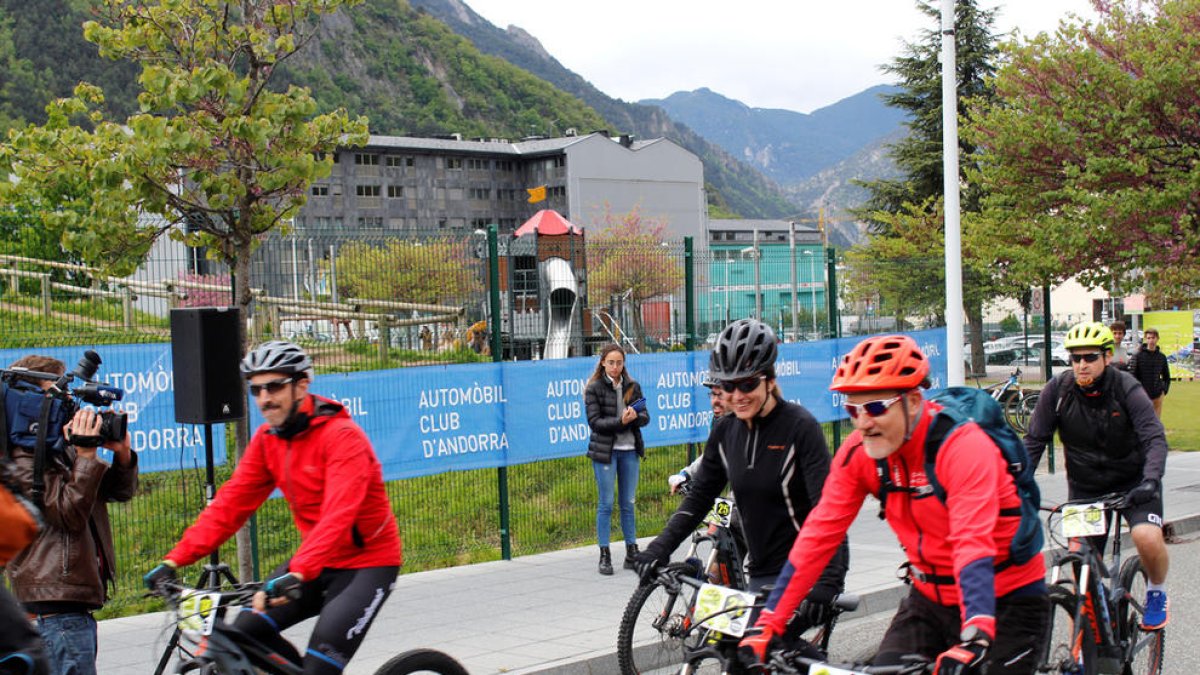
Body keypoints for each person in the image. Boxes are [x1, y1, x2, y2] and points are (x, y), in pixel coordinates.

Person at [740, 335, 1048, 674]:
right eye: (852, 409)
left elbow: (971, 542)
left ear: (913, 401)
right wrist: (770, 621)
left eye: (874, 408)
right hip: (930, 599)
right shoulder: (860, 452)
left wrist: (975, 631)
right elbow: (819, 535)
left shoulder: (963, 448)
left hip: (1005, 597)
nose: (862, 422)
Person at [143, 341, 401, 675]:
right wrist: (174, 559)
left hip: (367, 565)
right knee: (241, 638)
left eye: (275, 386)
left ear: (302, 385)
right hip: (311, 564)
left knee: (320, 667)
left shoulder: (342, 437)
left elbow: (338, 515)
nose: (264, 398)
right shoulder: (268, 440)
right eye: (256, 389)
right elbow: (230, 505)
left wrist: (300, 569)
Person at [635, 319, 849, 638]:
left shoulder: (799, 427)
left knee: (763, 650)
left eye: (748, 384)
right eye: (729, 385)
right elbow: (699, 498)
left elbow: (829, 510)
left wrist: (828, 580)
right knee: (717, 641)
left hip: (805, 573)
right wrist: (660, 548)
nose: (738, 395)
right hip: (761, 573)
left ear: (769, 379)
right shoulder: (725, 431)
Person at [1024, 321, 1170, 630]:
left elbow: (1154, 437)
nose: (1081, 365)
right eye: (1075, 358)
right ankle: (1099, 632)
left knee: (1146, 536)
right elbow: (1035, 440)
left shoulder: (1126, 387)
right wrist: (1018, 484)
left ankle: (1157, 591)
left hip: (1135, 483)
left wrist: (1151, 480)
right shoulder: (1059, 390)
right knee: (1080, 562)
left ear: (1106, 357)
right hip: (1087, 487)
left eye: (1089, 357)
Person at [3, 355, 138, 675]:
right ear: (32, 401)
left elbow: (119, 492)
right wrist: (87, 455)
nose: (67, 401)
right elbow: (68, 513)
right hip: (53, 611)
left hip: (70, 609)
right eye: (57, 393)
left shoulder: (58, 447)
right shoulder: (24, 459)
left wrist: (121, 454)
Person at [584, 344, 650, 575]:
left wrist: (634, 417)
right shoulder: (594, 388)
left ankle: (632, 552)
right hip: (605, 452)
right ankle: (605, 554)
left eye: (619, 362)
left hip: (629, 450)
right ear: (603, 362)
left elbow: (645, 416)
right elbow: (595, 423)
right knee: (606, 503)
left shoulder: (633, 386)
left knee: (628, 503)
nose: (615, 367)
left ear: (624, 364)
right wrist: (620, 422)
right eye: (610, 362)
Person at [1128, 327, 1171, 419]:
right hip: (1142, 395)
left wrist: (1164, 390)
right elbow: (1133, 376)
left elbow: (1166, 376)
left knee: (1156, 421)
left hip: (1157, 395)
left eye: (1153, 338)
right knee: (1143, 420)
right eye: (1149, 338)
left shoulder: (1162, 357)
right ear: (1145, 339)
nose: (1151, 340)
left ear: (1157, 339)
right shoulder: (1138, 356)